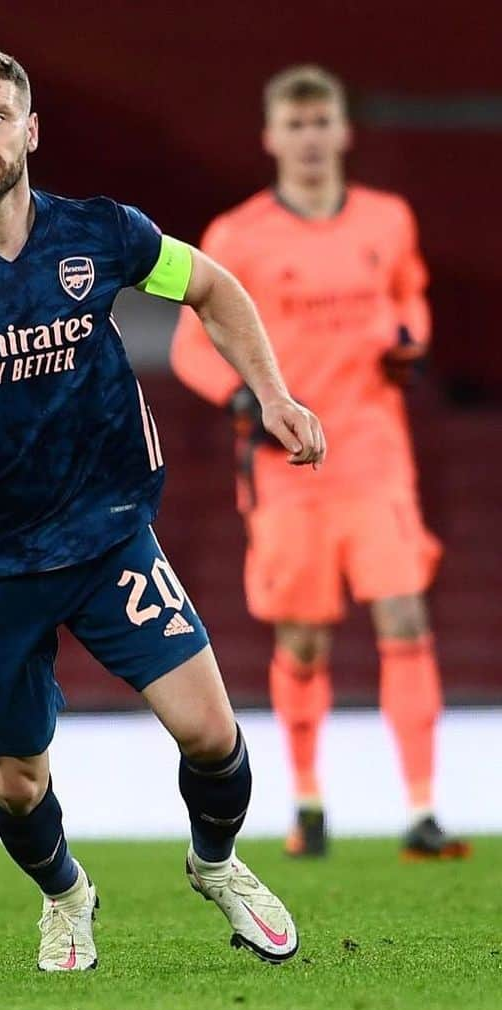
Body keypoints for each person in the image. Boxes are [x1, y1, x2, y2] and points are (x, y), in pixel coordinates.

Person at [0, 45, 325, 971]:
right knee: (16, 781)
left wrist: (273, 393)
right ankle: (66, 895)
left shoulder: (100, 234)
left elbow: (212, 287)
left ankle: (216, 864)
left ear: (30, 130)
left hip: (107, 535)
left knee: (212, 733)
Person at [170, 64, 469, 861]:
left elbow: (410, 298)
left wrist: (410, 340)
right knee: (303, 638)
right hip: (285, 465)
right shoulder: (238, 236)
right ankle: (307, 803)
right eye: (294, 125)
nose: (309, 138)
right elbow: (192, 346)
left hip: (374, 451)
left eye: (320, 122)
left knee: (405, 616)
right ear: (272, 137)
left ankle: (423, 808)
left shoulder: (387, 220)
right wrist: (245, 403)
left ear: (343, 131)